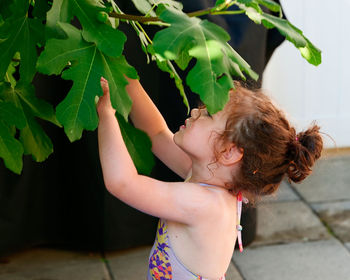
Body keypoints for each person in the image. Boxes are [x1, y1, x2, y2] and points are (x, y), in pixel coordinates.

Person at [97, 76, 323, 280]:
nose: (196, 112)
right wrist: (128, 79)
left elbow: (123, 183)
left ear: (229, 152)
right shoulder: (212, 178)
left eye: (208, 114)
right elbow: (156, 133)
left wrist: (106, 114)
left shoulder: (203, 203)